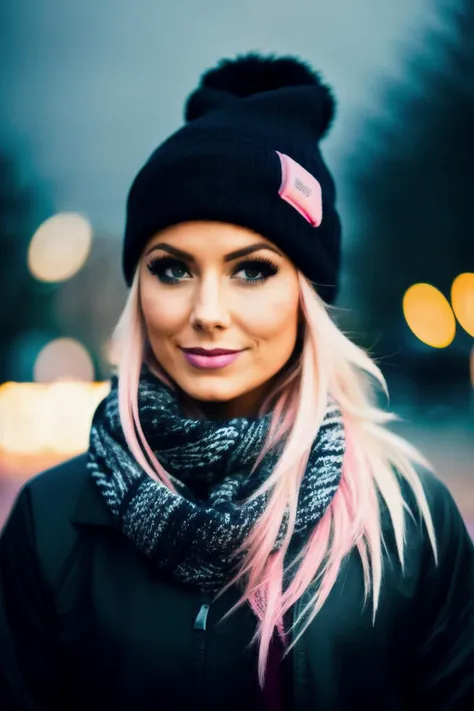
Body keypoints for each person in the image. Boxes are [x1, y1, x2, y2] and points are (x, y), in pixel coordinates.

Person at [0, 52, 473, 711]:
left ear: (306, 297)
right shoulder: (49, 521)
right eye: (172, 269)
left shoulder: (409, 522)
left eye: (252, 270)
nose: (208, 312)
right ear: (138, 293)